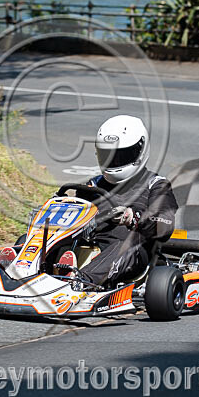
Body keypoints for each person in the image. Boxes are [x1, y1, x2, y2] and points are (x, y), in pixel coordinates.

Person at [57, 114, 178, 287]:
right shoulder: (94, 184)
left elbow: (163, 224)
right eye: (108, 156)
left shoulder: (156, 185)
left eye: (121, 156)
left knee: (126, 245)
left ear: (139, 150)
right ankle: (22, 270)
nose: (114, 162)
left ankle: (80, 282)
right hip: (91, 245)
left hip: (134, 253)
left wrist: (132, 217)